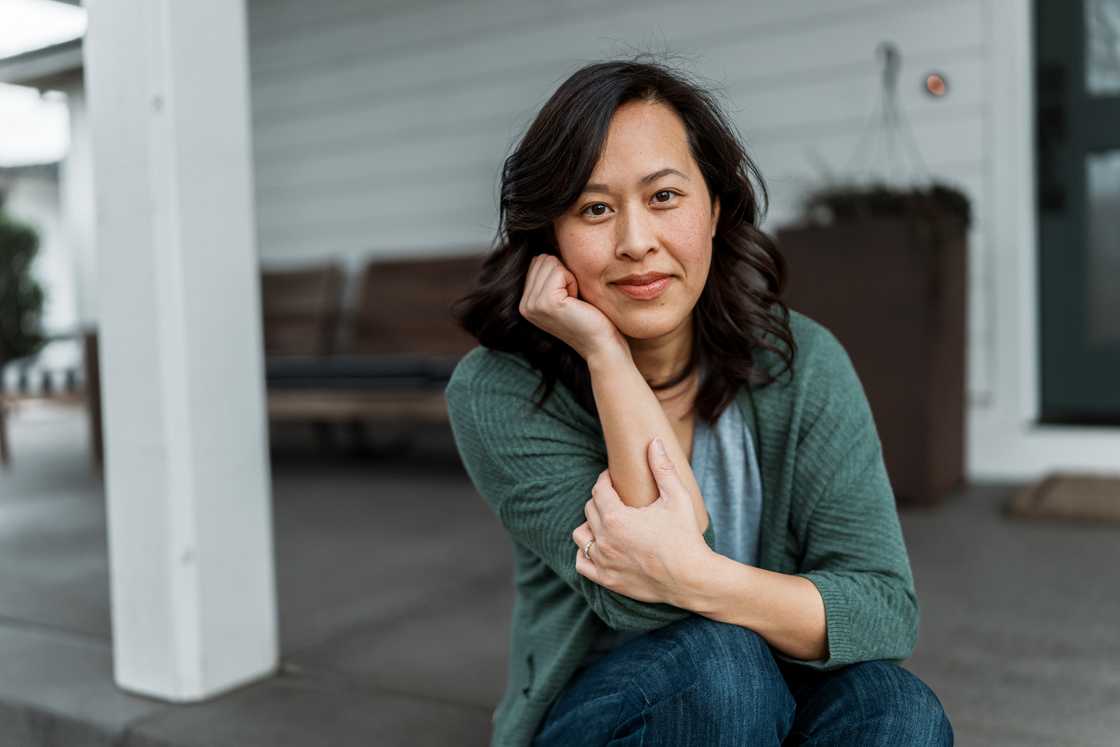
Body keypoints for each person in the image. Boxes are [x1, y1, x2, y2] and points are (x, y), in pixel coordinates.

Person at [445, 56, 953, 747]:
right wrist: (604, 352)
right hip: (608, 712)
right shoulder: (499, 390)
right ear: (552, 240)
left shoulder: (803, 364)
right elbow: (638, 600)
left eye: (663, 197)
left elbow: (883, 610)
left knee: (898, 709)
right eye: (595, 209)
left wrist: (695, 573)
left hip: (777, 690)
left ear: (714, 207)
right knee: (720, 666)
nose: (635, 242)